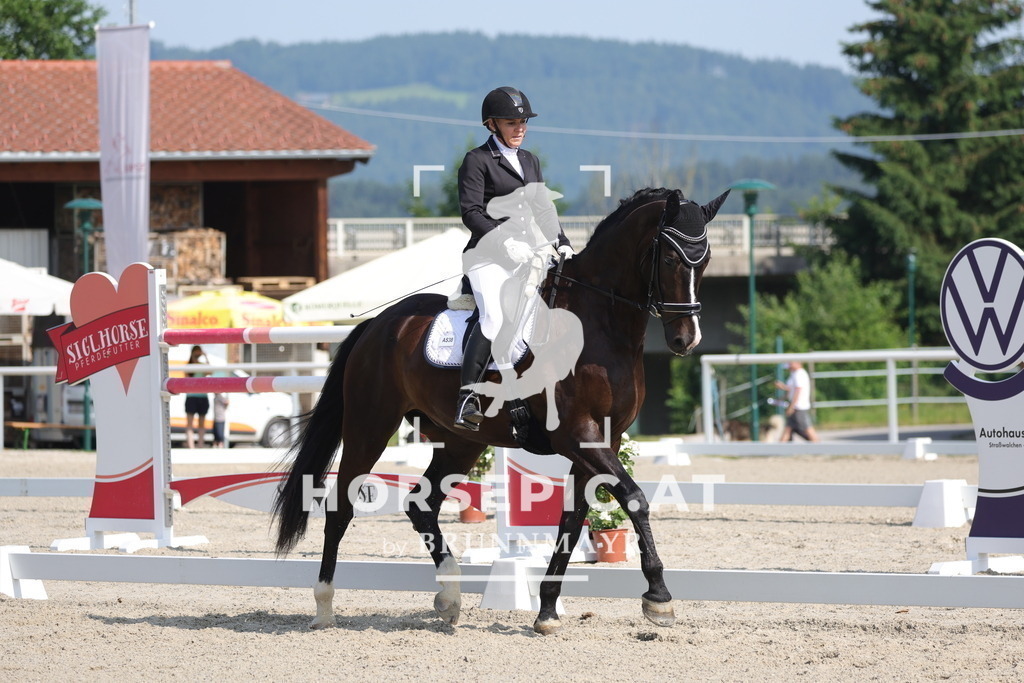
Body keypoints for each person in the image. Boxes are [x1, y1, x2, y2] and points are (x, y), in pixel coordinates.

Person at [454, 86, 574, 431]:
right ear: (492, 125)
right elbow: (471, 212)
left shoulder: (529, 161)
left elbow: (543, 208)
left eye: (523, 121)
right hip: (487, 256)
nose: (520, 128)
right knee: (493, 318)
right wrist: (503, 241)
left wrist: (561, 241)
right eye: (512, 122)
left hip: (529, 256)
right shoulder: (476, 161)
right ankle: (467, 399)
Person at [774, 360, 820, 442]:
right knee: (787, 429)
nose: (789, 368)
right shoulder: (795, 374)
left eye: (790, 365)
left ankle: (820, 447)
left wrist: (791, 406)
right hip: (796, 406)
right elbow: (791, 390)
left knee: (807, 429)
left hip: (799, 407)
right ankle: (780, 449)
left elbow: (798, 391)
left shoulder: (799, 374)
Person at [184, 345, 210, 448]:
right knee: (190, 424)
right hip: (191, 397)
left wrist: (206, 357)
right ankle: (191, 446)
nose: (198, 355)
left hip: (202, 397)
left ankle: (200, 444)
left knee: (202, 423)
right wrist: (194, 358)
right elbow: (187, 376)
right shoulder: (188, 366)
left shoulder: (202, 365)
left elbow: (210, 371)